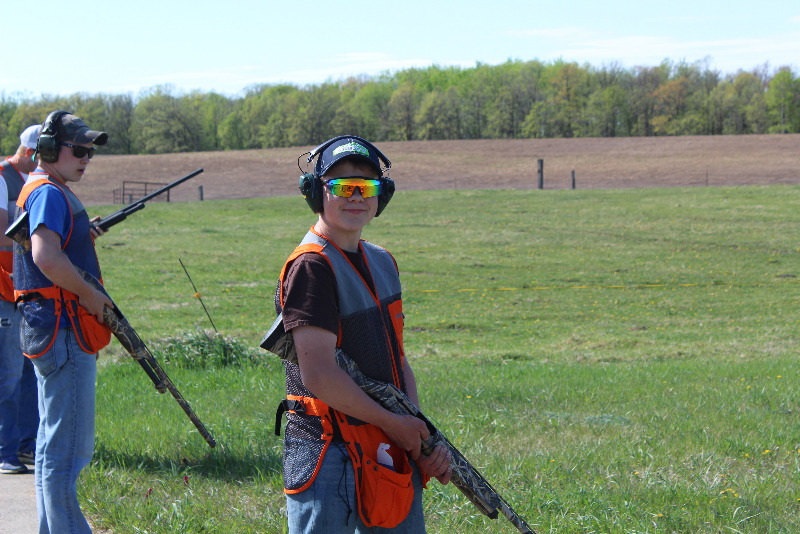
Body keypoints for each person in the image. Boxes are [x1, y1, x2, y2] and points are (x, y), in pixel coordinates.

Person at [265, 136, 452, 533]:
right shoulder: (311, 267)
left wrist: (418, 433)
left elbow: (398, 363)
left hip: (386, 448)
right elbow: (319, 376)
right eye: (341, 186)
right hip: (329, 458)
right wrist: (396, 426)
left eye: (365, 187)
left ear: (381, 196)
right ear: (316, 192)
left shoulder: (382, 261)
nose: (355, 196)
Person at [13, 110, 113, 534]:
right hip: (64, 326)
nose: (86, 157)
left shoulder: (39, 188)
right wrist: (91, 296)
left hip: (48, 325)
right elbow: (46, 257)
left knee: (52, 445)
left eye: (90, 150)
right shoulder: (50, 192)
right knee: (68, 450)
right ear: (50, 150)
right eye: (78, 148)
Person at [0, 124, 42, 474]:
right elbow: (2, 235)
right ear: (29, 153)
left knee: (29, 370)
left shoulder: (31, 181)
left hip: (23, 287)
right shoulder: (2, 178)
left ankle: (27, 446)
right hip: (4, 287)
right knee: (10, 374)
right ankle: (5, 450)